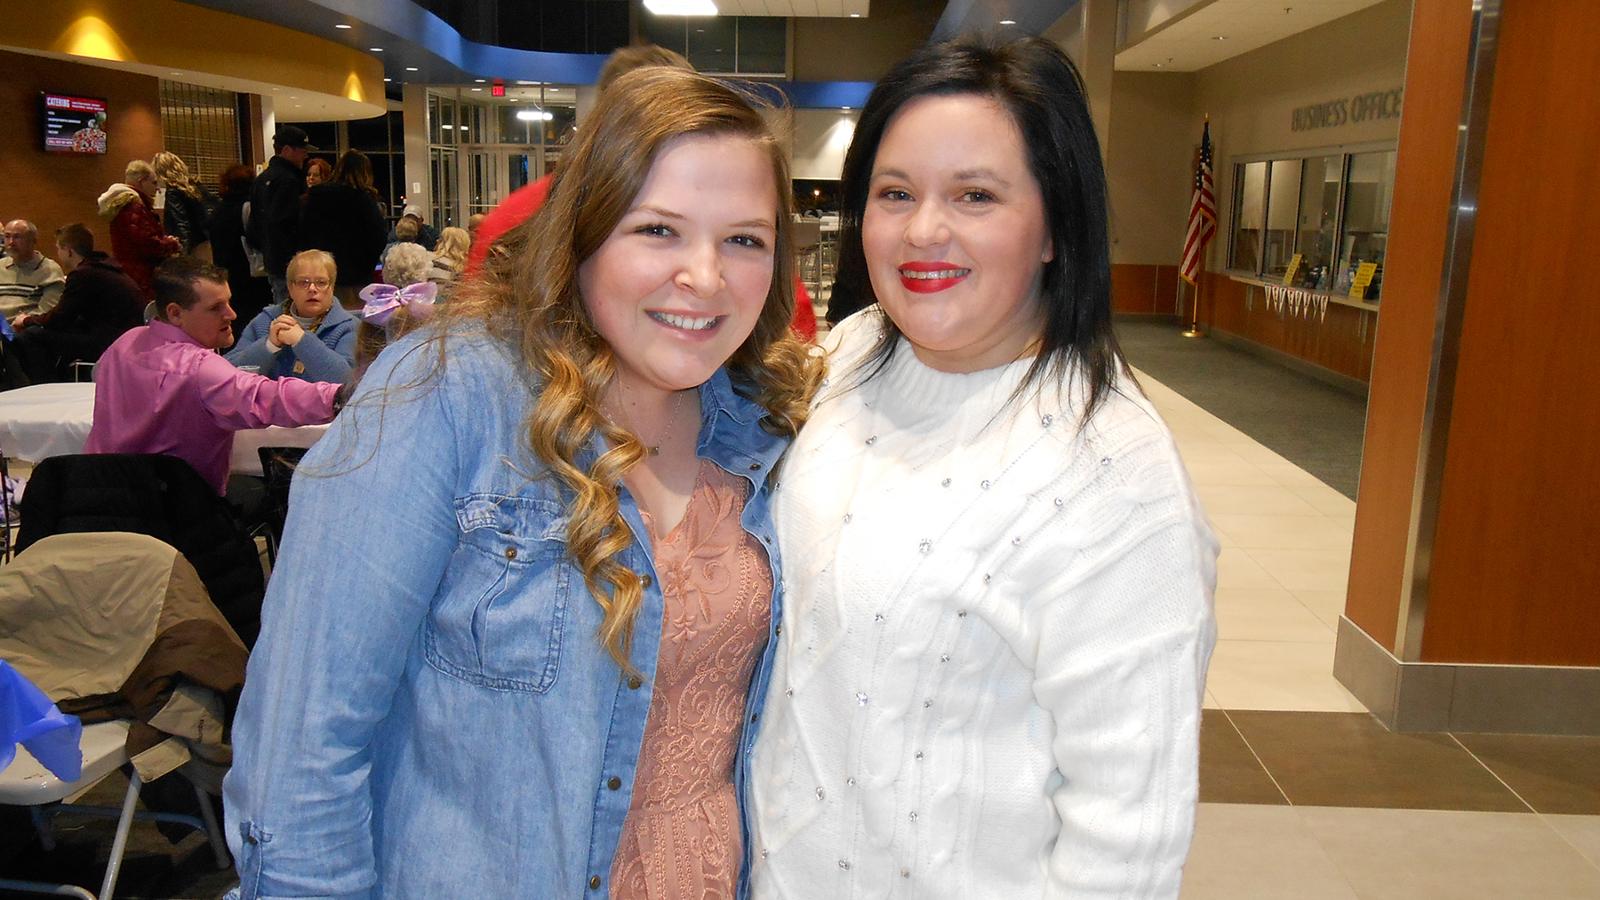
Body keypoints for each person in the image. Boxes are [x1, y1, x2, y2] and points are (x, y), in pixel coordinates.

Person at [224, 66, 818, 898]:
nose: (706, 277)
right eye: (658, 230)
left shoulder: (765, 426)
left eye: (745, 240)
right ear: (582, 230)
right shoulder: (449, 394)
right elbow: (301, 744)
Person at [748, 37, 1218, 899]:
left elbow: (1128, 834)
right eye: (895, 193)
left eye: (976, 195)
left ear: (1053, 227)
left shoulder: (1113, 472)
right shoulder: (844, 361)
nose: (925, 229)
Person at [84, 256, 339, 496]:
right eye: (216, 308)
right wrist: (340, 396)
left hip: (99, 495)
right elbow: (268, 397)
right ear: (175, 313)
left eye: (228, 302)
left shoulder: (123, 344)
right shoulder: (200, 368)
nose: (231, 314)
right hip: (176, 514)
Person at [8, 224, 143, 384]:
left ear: (69, 251)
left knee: (30, 336)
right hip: (129, 339)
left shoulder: (83, 275)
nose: (58, 254)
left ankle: (44, 387)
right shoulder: (105, 267)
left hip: (110, 343)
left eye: (58, 249)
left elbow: (58, 319)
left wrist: (26, 320)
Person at [226, 249, 355, 383]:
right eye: (303, 282)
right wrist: (269, 345)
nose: (312, 289)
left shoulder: (349, 327)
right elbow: (228, 373)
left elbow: (347, 381)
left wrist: (302, 341)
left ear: (332, 287)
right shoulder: (265, 321)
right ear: (290, 288)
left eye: (321, 282)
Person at [300, 149, 387, 311]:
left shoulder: (314, 198)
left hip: (320, 272)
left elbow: (302, 234)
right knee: (354, 322)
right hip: (355, 276)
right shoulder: (363, 200)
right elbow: (379, 237)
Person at [248, 125, 317, 308]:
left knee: (281, 306)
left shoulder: (261, 180)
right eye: (302, 150)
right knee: (296, 311)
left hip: (272, 260)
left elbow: (253, 226)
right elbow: (288, 223)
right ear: (287, 150)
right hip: (291, 262)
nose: (306, 155)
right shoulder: (290, 181)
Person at [99, 160, 181, 301]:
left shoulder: (123, 204)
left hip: (132, 272)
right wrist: (170, 244)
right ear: (141, 181)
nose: (157, 189)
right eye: (154, 183)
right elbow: (146, 243)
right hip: (142, 275)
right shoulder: (133, 207)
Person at [208, 163, 273, 335]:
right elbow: (259, 238)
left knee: (234, 320)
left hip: (227, 274)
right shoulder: (250, 209)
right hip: (251, 275)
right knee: (257, 322)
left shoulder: (217, 211)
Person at [153, 151, 218, 257]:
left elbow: (180, 221)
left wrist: (183, 250)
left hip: (189, 244)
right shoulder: (195, 185)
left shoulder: (173, 191)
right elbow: (214, 203)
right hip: (204, 240)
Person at [0, 220, 66, 322]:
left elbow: (47, 312)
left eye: (17, 237)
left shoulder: (50, 271)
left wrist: (23, 323)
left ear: (33, 241)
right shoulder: (1, 265)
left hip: (24, 330)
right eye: (7, 236)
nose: (11, 242)